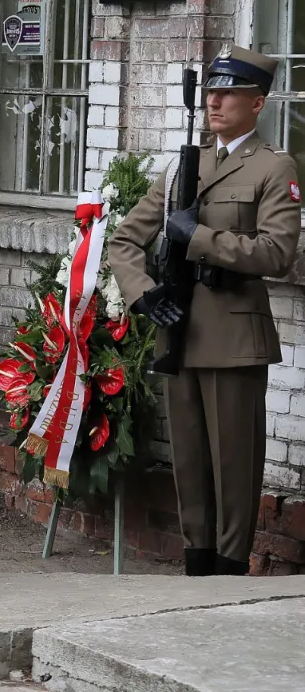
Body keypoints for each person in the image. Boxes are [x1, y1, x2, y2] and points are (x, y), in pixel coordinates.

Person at [107, 45, 300, 577]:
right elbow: (125, 241)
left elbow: (278, 254)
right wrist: (143, 293)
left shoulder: (272, 165)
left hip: (234, 339)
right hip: (179, 331)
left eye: (229, 91)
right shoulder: (181, 168)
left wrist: (200, 238)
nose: (215, 100)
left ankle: (230, 569)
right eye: (211, 90)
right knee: (189, 461)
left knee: (234, 464)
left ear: (257, 102)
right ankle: (196, 566)